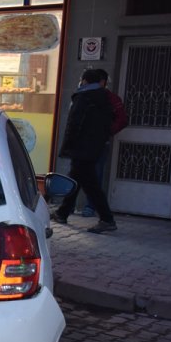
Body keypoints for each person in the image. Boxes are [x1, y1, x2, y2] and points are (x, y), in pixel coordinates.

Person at [51, 68, 117, 234]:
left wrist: (68, 146)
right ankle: (62, 212)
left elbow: (74, 124)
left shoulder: (84, 97)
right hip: (93, 148)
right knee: (77, 179)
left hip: (81, 148)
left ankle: (107, 219)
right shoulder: (104, 98)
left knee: (90, 185)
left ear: (85, 81)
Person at [81, 68, 127, 217]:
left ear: (102, 82)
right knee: (78, 174)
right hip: (82, 143)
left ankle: (92, 207)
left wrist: (107, 132)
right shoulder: (83, 96)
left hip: (98, 144)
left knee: (95, 175)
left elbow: (122, 119)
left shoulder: (111, 99)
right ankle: (67, 208)